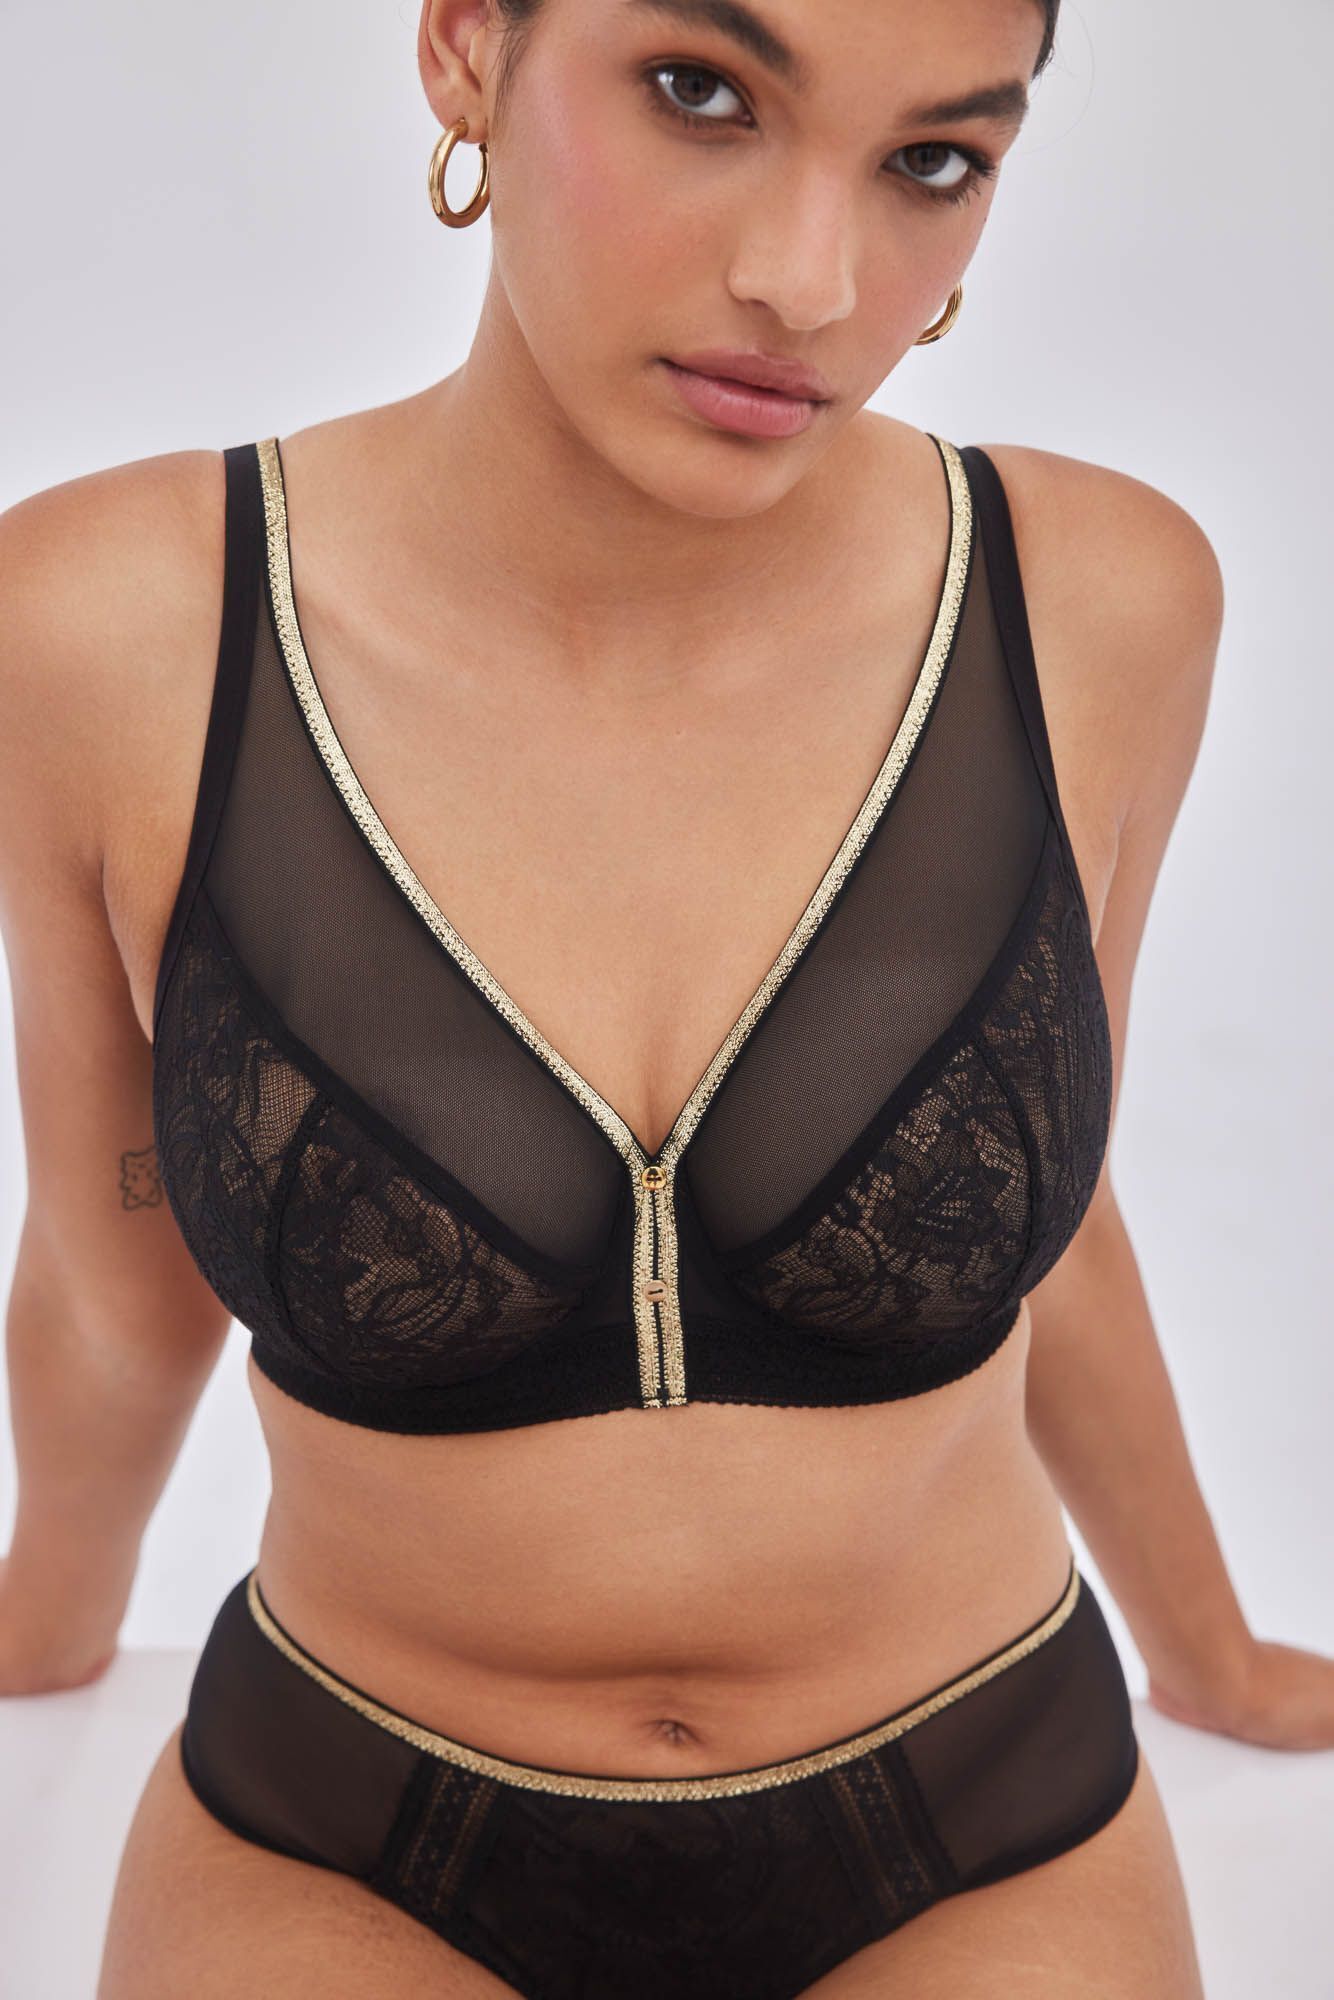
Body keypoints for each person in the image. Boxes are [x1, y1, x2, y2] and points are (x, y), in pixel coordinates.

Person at [2, 0, 1331, 1994]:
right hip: (349, 1821)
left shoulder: (1098, 600)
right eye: (701, 93)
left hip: (975, 1811)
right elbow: (117, 1273)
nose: (812, 281)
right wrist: (46, 1618)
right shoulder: (110, 627)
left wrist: (1203, 1647)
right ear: (467, 48)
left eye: (932, 161)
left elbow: (1050, 1204)